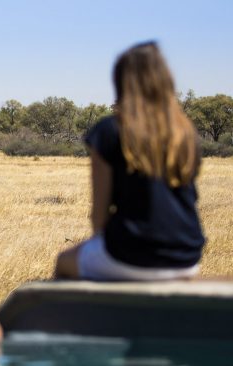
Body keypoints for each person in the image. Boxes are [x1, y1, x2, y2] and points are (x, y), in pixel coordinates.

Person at [54, 41, 205, 281]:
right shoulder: (185, 132)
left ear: (121, 82)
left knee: (63, 262)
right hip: (187, 257)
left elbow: (99, 216)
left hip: (130, 253)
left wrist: (102, 251)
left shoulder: (109, 131)